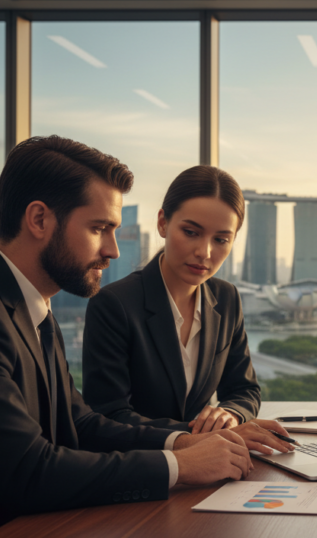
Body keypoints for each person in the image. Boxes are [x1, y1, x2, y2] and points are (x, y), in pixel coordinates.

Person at [0, 136, 255, 538]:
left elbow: (79, 423)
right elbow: (28, 473)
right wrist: (181, 467)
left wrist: (181, 444)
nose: (114, 251)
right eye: (100, 228)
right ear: (39, 220)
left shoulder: (30, 306)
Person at [81, 166, 294, 455]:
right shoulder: (114, 304)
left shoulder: (226, 297)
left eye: (220, 239)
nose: (205, 252)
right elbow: (109, 415)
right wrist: (200, 436)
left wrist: (230, 415)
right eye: (191, 232)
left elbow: (245, 390)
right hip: (140, 469)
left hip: (215, 463)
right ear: (162, 223)